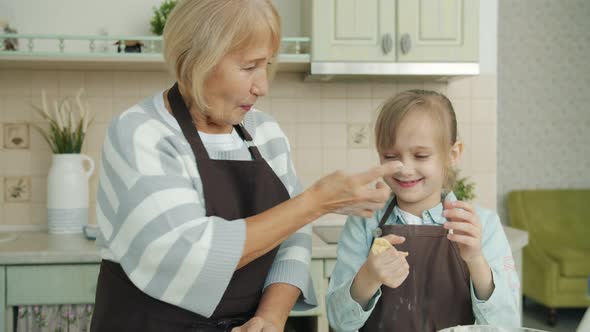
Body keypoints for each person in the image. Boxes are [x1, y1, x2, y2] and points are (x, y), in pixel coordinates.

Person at [89, 1, 398, 331]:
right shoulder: (143, 132)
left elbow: (292, 238)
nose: (262, 86)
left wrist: (270, 317)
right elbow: (188, 256)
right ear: (196, 60)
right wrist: (315, 202)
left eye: (266, 65)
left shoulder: (265, 133)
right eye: (249, 67)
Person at [326, 90, 521, 331]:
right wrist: (368, 277)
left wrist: (475, 259)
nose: (404, 168)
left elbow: (507, 325)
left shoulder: (483, 225)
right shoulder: (364, 224)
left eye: (420, 155)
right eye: (390, 156)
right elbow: (338, 322)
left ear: (452, 155)